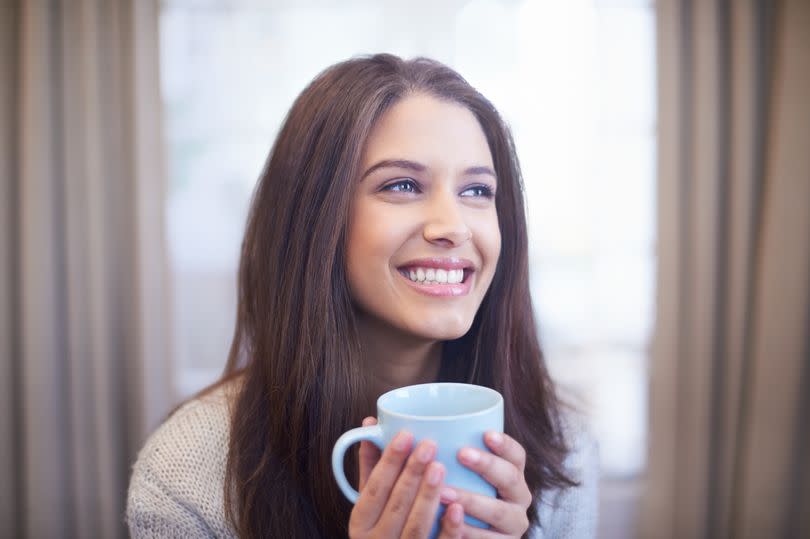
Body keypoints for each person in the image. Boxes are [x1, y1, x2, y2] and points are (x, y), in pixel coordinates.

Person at [126, 53, 599, 538]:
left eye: (477, 191)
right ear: (314, 219)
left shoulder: (562, 443)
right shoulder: (186, 476)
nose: (453, 227)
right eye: (402, 185)